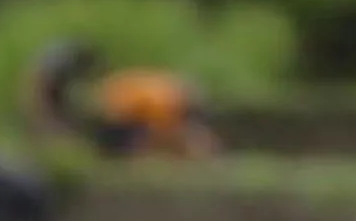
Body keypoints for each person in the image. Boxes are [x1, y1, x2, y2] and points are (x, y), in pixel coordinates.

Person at [26, 40, 218, 159]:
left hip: (115, 104)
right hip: (114, 108)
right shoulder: (170, 101)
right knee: (130, 143)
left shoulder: (169, 94)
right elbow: (158, 134)